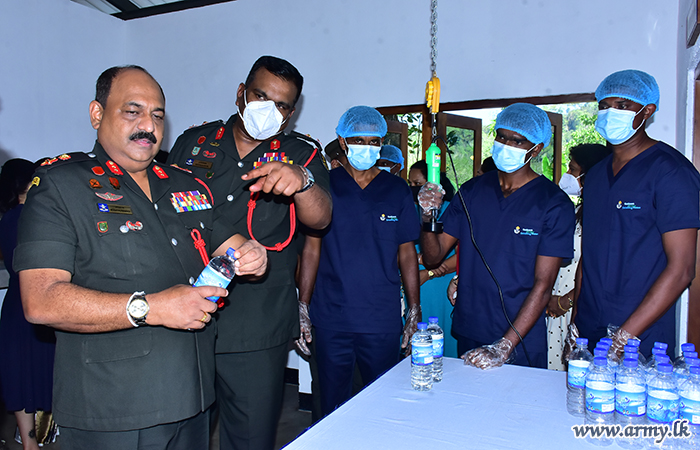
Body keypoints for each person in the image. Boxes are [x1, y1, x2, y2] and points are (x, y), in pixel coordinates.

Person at [14, 65, 267, 450]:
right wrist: (152, 308)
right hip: (114, 406)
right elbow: (41, 300)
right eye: (133, 111)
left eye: (158, 115)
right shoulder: (61, 185)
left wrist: (253, 253)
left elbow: (233, 244)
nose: (148, 125)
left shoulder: (186, 185)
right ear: (97, 114)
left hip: (194, 396)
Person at [166, 55, 331, 450]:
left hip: (256, 325)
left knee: (250, 437)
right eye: (260, 96)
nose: (268, 110)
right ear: (241, 93)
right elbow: (164, 208)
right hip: (186, 314)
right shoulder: (194, 142)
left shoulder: (301, 154)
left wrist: (302, 182)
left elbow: (321, 219)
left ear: (291, 113)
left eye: (282, 105)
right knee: (181, 432)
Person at [419, 103, 575, 369]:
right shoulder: (472, 191)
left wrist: (504, 345)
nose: (506, 145)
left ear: (536, 148)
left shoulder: (553, 203)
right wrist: (427, 216)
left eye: (517, 141)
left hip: (520, 336)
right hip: (472, 326)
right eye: (501, 137)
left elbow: (543, 285)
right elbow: (433, 257)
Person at [297, 106, 420, 417]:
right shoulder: (325, 185)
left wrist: (414, 307)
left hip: (380, 318)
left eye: (374, 141)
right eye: (359, 140)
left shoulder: (396, 190)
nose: (367, 147)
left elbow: (406, 251)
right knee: (330, 404)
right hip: (331, 316)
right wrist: (303, 305)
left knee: (381, 402)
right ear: (342, 141)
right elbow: (311, 249)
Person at [570, 70, 700, 359]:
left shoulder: (671, 172)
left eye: (622, 106)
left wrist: (624, 337)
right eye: (604, 106)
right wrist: (575, 322)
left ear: (647, 111)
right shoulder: (596, 176)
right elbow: (588, 256)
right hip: (590, 325)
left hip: (641, 334)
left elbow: (682, 269)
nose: (610, 113)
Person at [0, 158, 55, 450]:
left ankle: (28, 442)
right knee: (43, 371)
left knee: (20, 376)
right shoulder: (35, 216)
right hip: (39, 299)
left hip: (15, 304)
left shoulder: (9, 218)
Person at [545, 143, 610, 371]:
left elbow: (600, 267)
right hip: (556, 307)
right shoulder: (577, 211)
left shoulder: (604, 216)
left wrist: (568, 300)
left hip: (576, 306)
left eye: (572, 169)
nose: (567, 175)